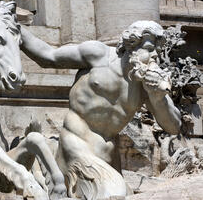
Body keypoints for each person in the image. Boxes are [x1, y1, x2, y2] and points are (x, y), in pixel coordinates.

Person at [20, 21, 182, 199]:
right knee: (114, 192)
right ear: (131, 44)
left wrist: (158, 98)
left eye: (158, 51)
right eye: (150, 48)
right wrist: (13, 27)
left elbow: (174, 126)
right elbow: (47, 56)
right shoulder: (98, 55)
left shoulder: (145, 84)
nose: (155, 56)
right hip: (76, 146)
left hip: (109, 159)